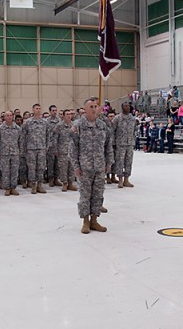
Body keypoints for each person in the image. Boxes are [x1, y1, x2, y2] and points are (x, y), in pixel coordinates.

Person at [69, 97, 113, 234]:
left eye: (96, 107)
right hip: (84, 167)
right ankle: (85, 222)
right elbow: (73, 148)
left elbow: (108, 146)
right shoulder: (78, 126)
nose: (94, 109)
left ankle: (95, 220)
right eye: (91, 107)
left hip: (99, 166)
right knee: (85, 195)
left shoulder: (102, 125)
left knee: (98, 195)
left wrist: (109, 162)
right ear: (85, 110)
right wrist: (76, 166)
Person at [21, 103, 50, 194]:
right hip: (31, 148)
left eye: (39, 108)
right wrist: (24, 148)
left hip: (41, 148)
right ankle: (33, 185)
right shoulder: (28, 122)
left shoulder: (45, 122)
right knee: (32, 168)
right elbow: (23, 136)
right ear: (33, 110)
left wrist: (46, 147)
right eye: (36, 108)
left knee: (41, 167)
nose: (38, 110)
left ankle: (40, 185)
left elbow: (48, 136)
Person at [0, 110, 21, 196]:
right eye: (7, 115)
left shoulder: (17, 128)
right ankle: (7, 188)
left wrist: (20, 151)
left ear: (12, 116)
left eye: (10, 115)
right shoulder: (0, 128)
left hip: (15, 153)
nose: (9, 117)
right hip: (4, 153)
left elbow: (21, 141)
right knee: (5, 171)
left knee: (14, 171)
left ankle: (13, 188)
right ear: (4, 117)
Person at [112, 102, 137, 188]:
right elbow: (113, 131)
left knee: (128, 162)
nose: (127, 107)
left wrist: (133, 140)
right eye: (125, 106)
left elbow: (135, 130)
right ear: (122, 107)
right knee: (120, 161)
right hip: (120, 143)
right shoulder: (117, 118)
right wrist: (113, 143)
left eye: (128, 106)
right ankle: (120, 180)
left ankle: (126, 179)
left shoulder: (133, 119)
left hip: (130, 143)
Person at [53, 109, 77, 192]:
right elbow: (55, 138)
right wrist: (55, 149)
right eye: (67, 114)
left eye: (70, 114)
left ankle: (70, 183)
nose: (69, 115)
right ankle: (64, 183)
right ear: (63, 116)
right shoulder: (59, 126)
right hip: (62, 151)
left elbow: (77, 138)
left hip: (72, 151)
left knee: (72, 168)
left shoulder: (74, 125)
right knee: (63, 168)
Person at [46, 105, 61, 187]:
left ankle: (56, 179)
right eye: (53, 110)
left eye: (55, 110)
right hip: (50, 145)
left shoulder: (59, 121)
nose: (54, 112)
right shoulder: (46, 121)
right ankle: (50, 179)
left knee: (57, 163)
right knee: (50, 163)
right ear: (50, 111)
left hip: (58, 145)